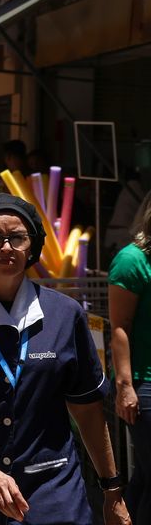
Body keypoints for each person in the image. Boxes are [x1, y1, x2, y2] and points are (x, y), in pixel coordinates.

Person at [0, 193, 130, 525]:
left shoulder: (65, 313)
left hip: (52, 491)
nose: (6, 247)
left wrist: (112, 490)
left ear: (31, 248)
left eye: (17, 237)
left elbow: (87, 408)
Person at [109, 191, 151, 523]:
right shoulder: (132, 259)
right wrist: (125, 386)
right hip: (145, 385)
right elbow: (119, 326)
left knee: (147, 474)